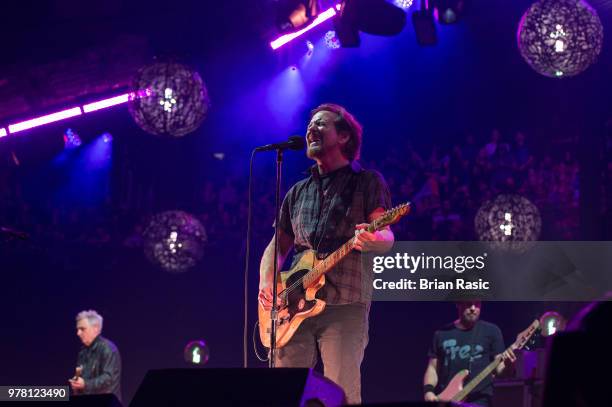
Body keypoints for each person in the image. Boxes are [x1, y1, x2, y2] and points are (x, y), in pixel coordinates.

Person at [258, 103, 394, 404]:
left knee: (340, 394)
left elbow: (385, 234)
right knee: (284, 392)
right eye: (309, 124)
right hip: (292, 306)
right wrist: (268, 284)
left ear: (343, 136)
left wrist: (374, 239)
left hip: (345, 302)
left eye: (320, 124)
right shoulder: (297, 191)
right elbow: (276, 246)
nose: (310, 129)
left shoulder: (367, 182)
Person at [423, 301, 516, 406]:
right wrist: (428, 391)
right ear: (458, 303)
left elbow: (499, 369)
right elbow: (432, 368)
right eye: (468, 303)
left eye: (477, 304)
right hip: (448, 401)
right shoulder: (441, 334)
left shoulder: (492, 331)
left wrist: (509, 365)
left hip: (479, 401)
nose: (473, 308)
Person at [69, 310, 122, 401]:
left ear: (96, 328)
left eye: (82, 329)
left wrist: (85, 384)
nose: (78, 333)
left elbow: (108, 379)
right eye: (78, 329)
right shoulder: (83, 352)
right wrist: (77, 383)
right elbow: (82, 379)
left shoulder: (107, 348)